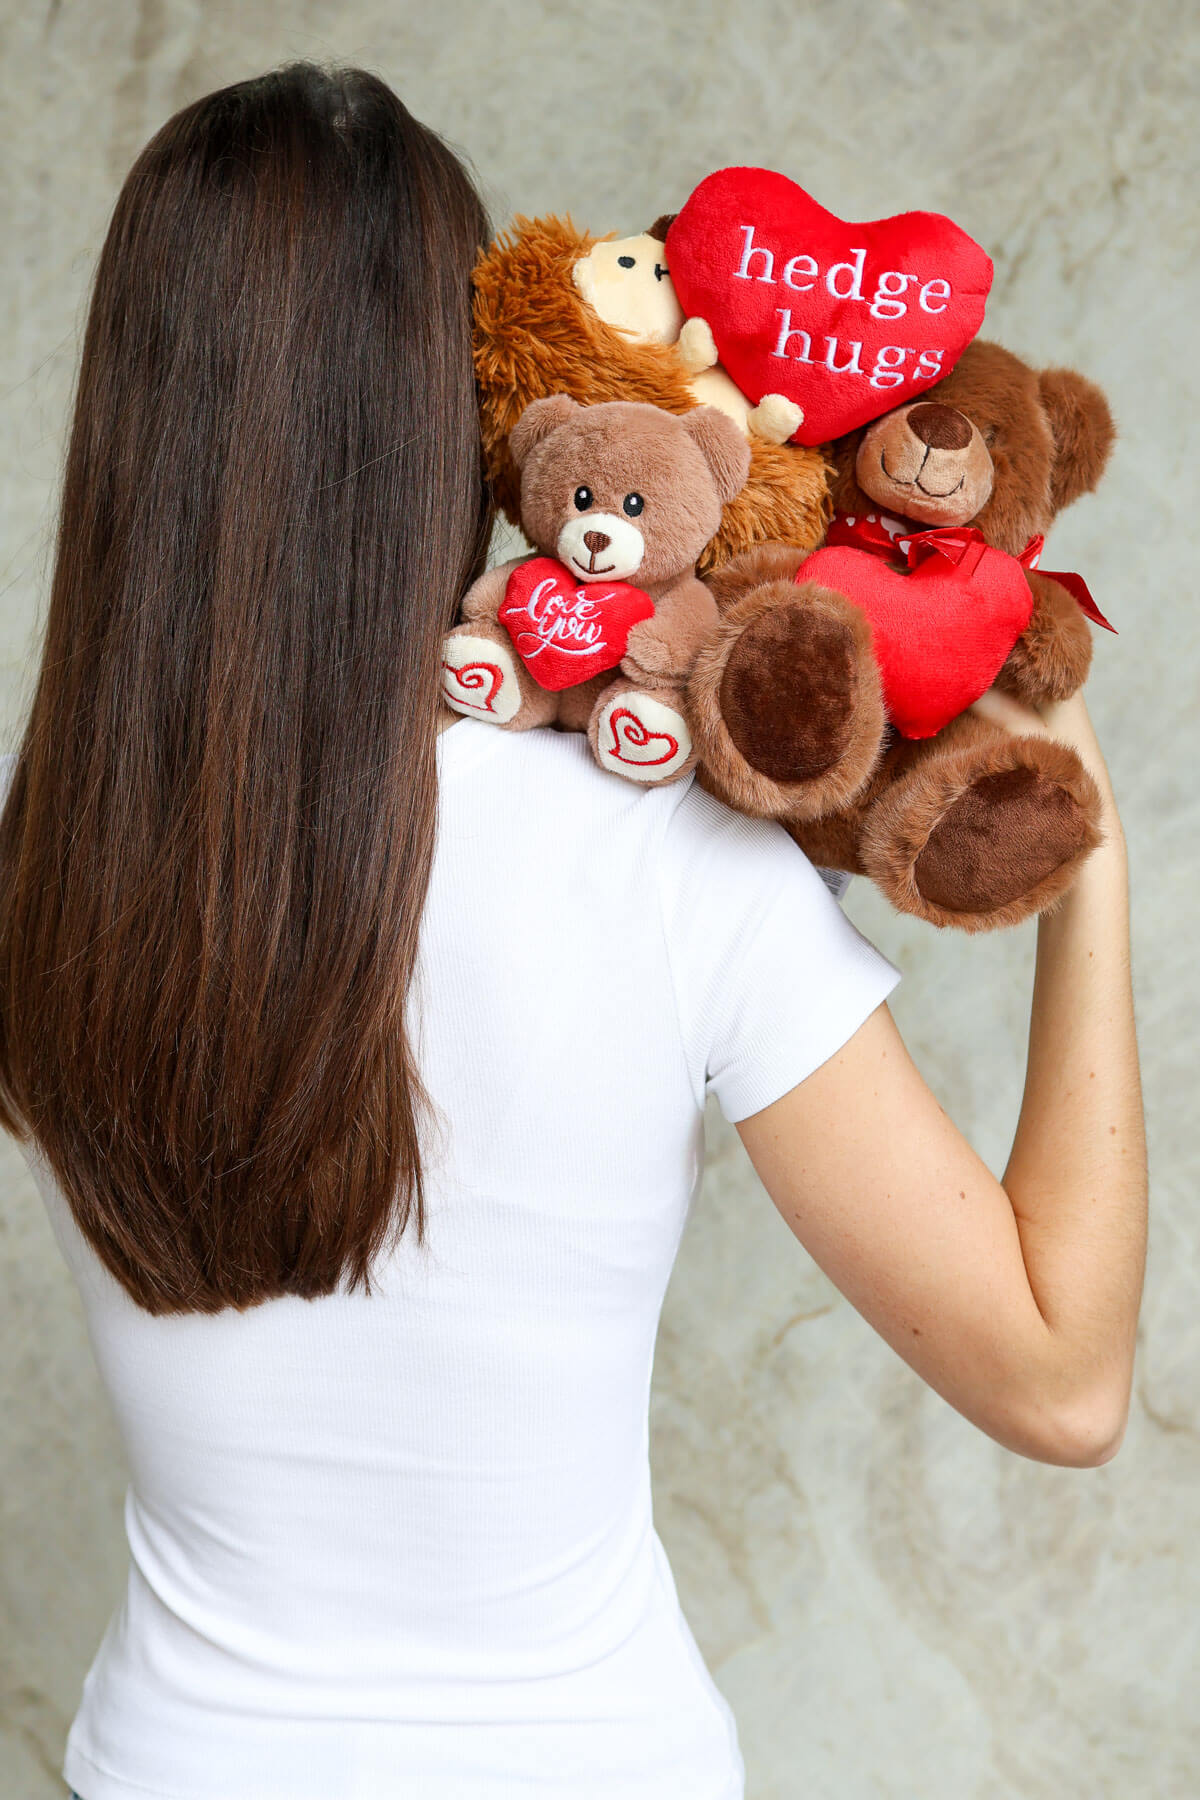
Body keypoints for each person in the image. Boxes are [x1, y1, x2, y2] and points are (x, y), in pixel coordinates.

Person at [0, 62, 1145, 1800]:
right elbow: (1063, 1386)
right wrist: (1097, 856)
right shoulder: (656, 853)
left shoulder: (48, 876)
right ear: (456, 414)